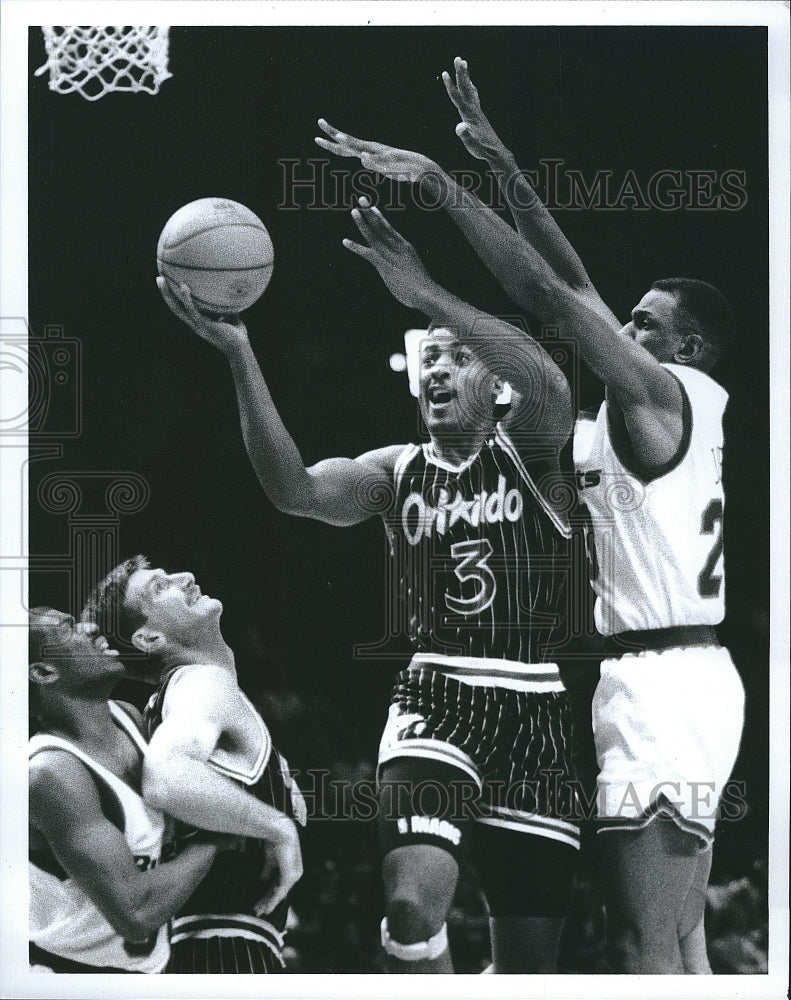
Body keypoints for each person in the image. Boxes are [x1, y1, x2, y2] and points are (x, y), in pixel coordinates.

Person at [315, 56, 746, 973]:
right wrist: (500, 163)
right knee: (680, 944)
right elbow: (567, 275)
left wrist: (434, 205)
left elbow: (550, 299)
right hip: (663, 675)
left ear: (687, 347)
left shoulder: (665, 395)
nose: (621, 329)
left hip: (667, 680)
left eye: (642, 322)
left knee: (648, 948)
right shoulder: (652, 404)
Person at [155, 200, 581, 974]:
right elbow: (293, 491)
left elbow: (548, 375)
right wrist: (239, 355)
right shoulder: (394, 472)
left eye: (459, 356)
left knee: (532, 968)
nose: (438, 368)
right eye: (431, 358)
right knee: (412, 907)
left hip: (537, 711)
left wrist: (425, 294)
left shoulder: (537, 451)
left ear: (498, 385)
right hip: (436, 699)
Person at [82, 557, 305, 973]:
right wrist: (280, 826)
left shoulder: (168, 704)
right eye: (159, 588)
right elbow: (166, 778)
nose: (184, 577)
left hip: (193, 951)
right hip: (226, 954)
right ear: (149, 637)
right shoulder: (202, 682)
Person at [28, 607, 225, 974]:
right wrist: (220, 834)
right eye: (69, 628)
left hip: (144, 972)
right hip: (68, 977)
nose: (89, 627)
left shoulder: (129, 718)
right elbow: (136, 915)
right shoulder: (51, 772)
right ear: (43, 671)